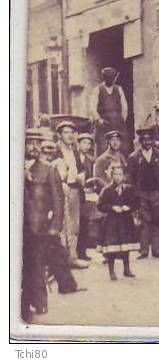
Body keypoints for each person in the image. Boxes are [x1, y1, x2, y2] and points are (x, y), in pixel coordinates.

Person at [21, 132, 83, 321]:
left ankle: (39, 303)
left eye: (36, 143)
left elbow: (58, 200)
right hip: (21, 228)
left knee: (37, 265)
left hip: (40, 227)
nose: (33, 147)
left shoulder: (48, 170)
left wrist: (55, 226)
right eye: (29, 143)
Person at [127, 127, 159, 259]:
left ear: (153, 141)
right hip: (141, 194)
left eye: (149, 139)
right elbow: (130, 178)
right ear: (140, 142)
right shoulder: (133, 158)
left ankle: (157, 249)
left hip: (156, 193)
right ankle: (143, 250)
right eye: (144, 140)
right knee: (143, 222)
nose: (147, 142)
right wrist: (134, 194)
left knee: (158, 220)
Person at [52, 120, 88, 270]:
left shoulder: (74, 149)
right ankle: (60, 259)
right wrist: (61, 183)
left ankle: (72, 257)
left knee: (74, 224)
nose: (69, 135)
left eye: (71, 132)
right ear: (59, 134)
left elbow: (81, 168)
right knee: (62, 225)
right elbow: (52, 171)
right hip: (60, 191)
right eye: (65, 132)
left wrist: (81, 176)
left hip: (74, 189)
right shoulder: (55, 150)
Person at [97, 163, 140, 281]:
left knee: (125, 245)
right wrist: (112, 208)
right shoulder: (107, 190)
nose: (118, 177)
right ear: (111, 175)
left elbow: (136, 202)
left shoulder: (129, 189)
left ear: (124, 176)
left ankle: (127, 268)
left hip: (125, 221)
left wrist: (129, 207)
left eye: (120, 174)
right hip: (112, 221)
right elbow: (100, 205)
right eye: (115, 174)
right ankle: (111, 270)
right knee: (112, 246)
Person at [89, 66, 129, 155]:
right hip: (103, 125)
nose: (111, 80)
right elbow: (92, 107)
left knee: (122, 148)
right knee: (103, 148)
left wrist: (121, 120)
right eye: (109, 78)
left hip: (117, 124)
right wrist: (98, 119)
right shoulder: (98, 89)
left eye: (112, 78)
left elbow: (124, 107)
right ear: (104, 78)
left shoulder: (118, 89)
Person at [77, 132, 97, 261]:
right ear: (78, 143)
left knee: (84, 223)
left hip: (86, 194)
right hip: (75, 192)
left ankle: (82, 252)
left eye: (89, 143)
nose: (87, 145)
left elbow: (91, 177)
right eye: (84, 142)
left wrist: (91, 187)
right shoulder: (73, 156)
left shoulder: (91, 160)